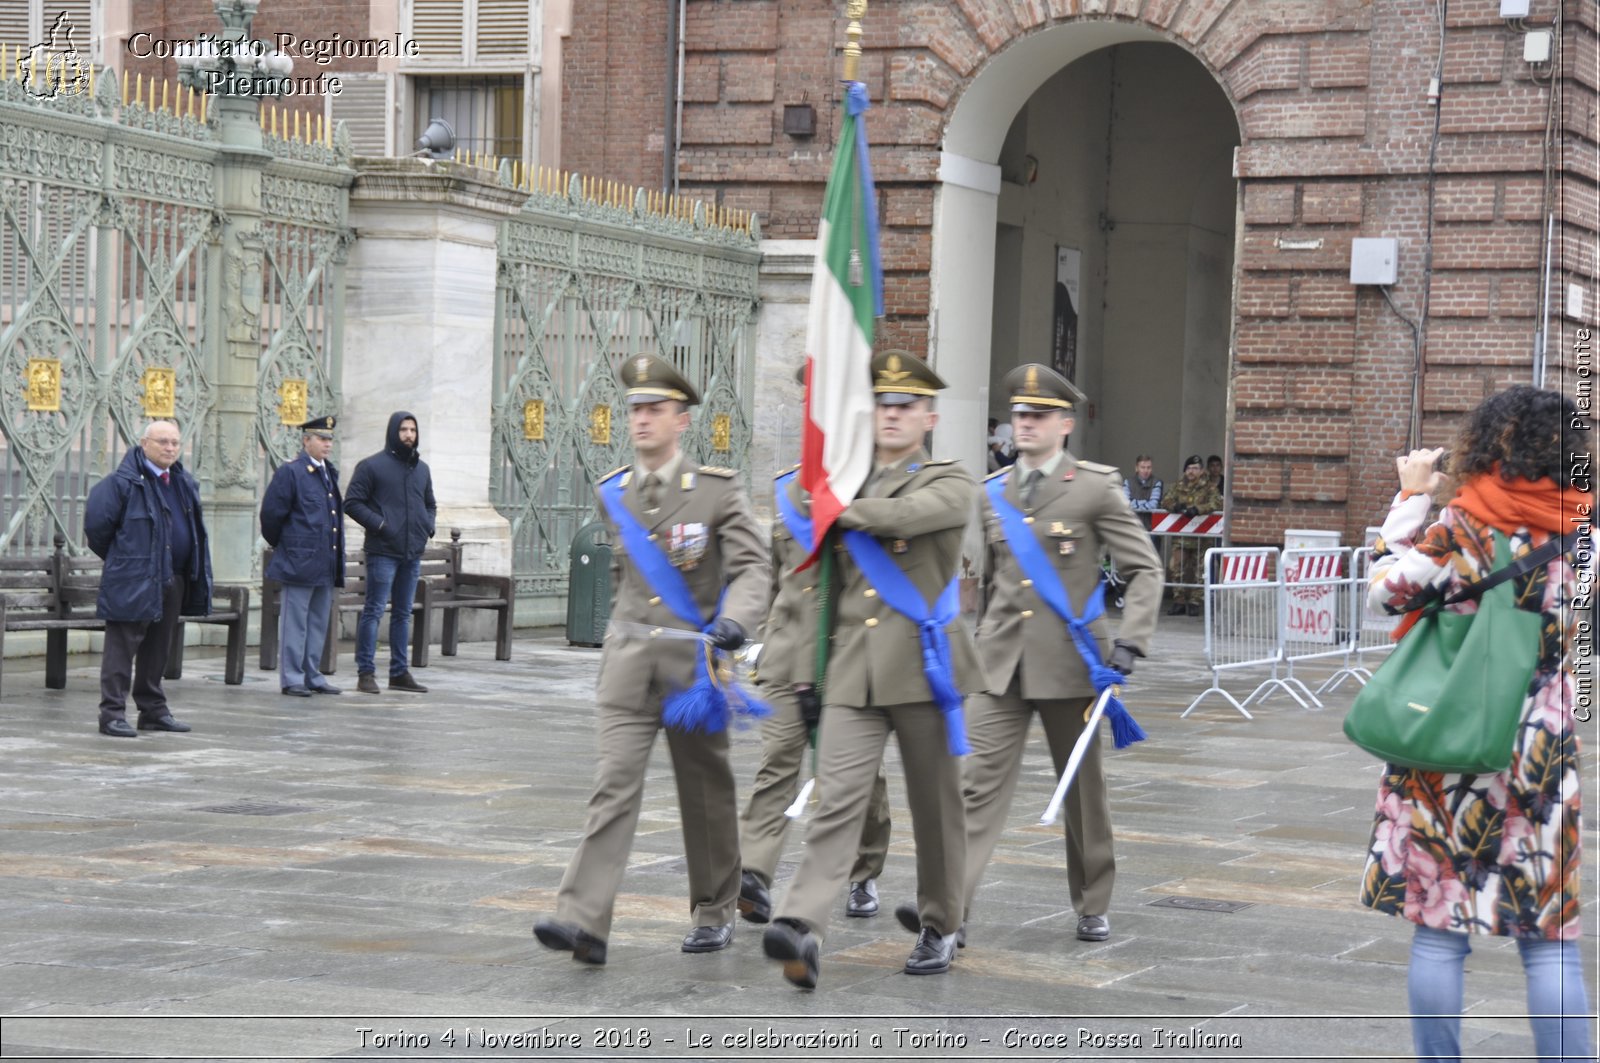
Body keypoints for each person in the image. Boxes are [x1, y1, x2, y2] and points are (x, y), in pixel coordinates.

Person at [1361, 386, 1592, 1062]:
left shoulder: (1460, 526)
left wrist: (1410, 499)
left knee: (1439, 931)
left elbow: (1384, 591)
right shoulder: (1584, 530)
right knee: (1548, 939)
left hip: (1451, 740)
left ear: (1487, 444)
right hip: (1539, 747)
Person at [534, 353, 769, 964]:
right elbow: (625, 576)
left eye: (654, 409)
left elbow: (752, 567)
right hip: (629, 663)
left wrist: (736, 622)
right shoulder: (613, 490)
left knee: (705, 789)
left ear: (681, 420)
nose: (640, 419)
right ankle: (583, 918)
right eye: (635, 409)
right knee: (613, 784)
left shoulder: (716, 490)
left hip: (695, 666)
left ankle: (716, 908)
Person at [762, 350, 985, 989]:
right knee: (835, 801)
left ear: (929, 416)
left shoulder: (951, 479)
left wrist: (837, 509)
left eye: (906, 405)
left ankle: (941, 922)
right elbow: (819, 591)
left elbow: (909, 519)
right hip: (852, 672)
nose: (893, 414)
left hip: (924, 667)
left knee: (936, 807)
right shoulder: (843, 480)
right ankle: (801, 925)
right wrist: (808, 673)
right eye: (883, 404)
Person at [956, 364, 1163, 946]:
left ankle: (1093, 899)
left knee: (1082, 791)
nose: (1025, 423)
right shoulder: (990, 491)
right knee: (971, 787)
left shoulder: (1094, 486)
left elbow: (1143, 569)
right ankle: (949, 911)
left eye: (1038, 415)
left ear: (1065, 424)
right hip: (998, 665)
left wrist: (1130, 641)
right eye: (1019, 414)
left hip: (1071, 663)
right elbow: (991, 581)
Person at [737, 453, 893, 926]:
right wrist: (760, 638)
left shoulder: (870, 487)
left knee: (856, 777)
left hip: (845, 655)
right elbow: (775, 576)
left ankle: (863, 870)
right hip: (786, 655)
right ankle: (753, 873)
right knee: (778, 761)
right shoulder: (786, 488)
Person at [85, 420, 213, 738]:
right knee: (121, 647)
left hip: (174, 578)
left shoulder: (182, 482)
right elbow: (98, 531)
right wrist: (129, 561)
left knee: (158, 648)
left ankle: (152, 710)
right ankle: (112, 714)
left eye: (174, 443)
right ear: (144, 444)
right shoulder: (120, 483)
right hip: (133, 577)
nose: (170, 448)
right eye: (163, 442)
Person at [344, 411, 435, 695]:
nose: (409, 435)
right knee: (373, 611)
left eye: (413, 430)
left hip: (411, 552)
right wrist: (381, 524)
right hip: (382, 551)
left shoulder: (421, 469)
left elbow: (430, 503)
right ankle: (366, 672)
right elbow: (352, 503)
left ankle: (399, 672)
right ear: (393, 432)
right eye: (404, 430)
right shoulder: (372, 466)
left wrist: (427, 527)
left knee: (403, 613)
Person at [260, 414, 346, 697]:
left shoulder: (327, 472)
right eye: (322, 439)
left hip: (324, 560)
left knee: (318, 620)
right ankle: (292, 677)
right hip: (299, 560)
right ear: (306, 441)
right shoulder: (292, 472)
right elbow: (272, 516)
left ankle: (313, 673)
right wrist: (287, 545)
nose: (327, 444)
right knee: (295, 622)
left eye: (330, 439)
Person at [1163, 454, 1222, 616]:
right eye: (1189, 468)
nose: (1191, 471)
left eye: (1195, 469)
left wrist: (1198, 509)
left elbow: (1216, 502)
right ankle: (1179, 601)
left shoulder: (1209, 486)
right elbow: (1165, 500)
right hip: (1181, 538)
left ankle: (1195, 602)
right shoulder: (1178, 486)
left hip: (1201, 539)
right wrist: (1175, 506)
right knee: (1176, 568)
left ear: (1201, 470)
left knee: (1200, 570)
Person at [1123, 454, 1163, 526]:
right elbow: (1125, 503)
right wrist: (1145, 502)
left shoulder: (1157, 482)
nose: (1146, 470)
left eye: (1149, 467)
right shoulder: (1127, 482)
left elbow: (1154, 504)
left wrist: (1134, 503)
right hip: (1132, 526)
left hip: (1151, 527)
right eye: (1142, 467)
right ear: (1136, 468)